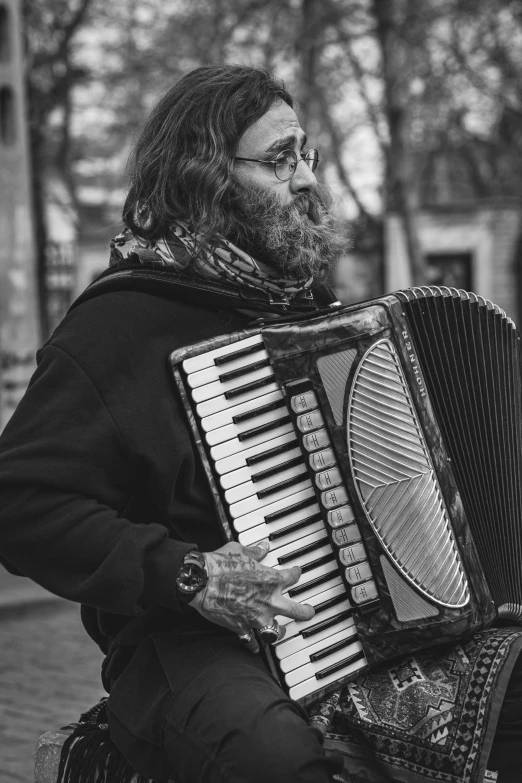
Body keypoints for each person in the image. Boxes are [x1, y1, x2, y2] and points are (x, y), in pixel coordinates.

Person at [0, 65, 349, 783]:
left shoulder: (305, 304)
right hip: (181, 640)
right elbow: (20, 501)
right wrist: (190, 574)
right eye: (278, 160)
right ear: (206, 178)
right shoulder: (118, 324)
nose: (307, 179)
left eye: (305, 153)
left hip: (338, 616)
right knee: (276, 762)